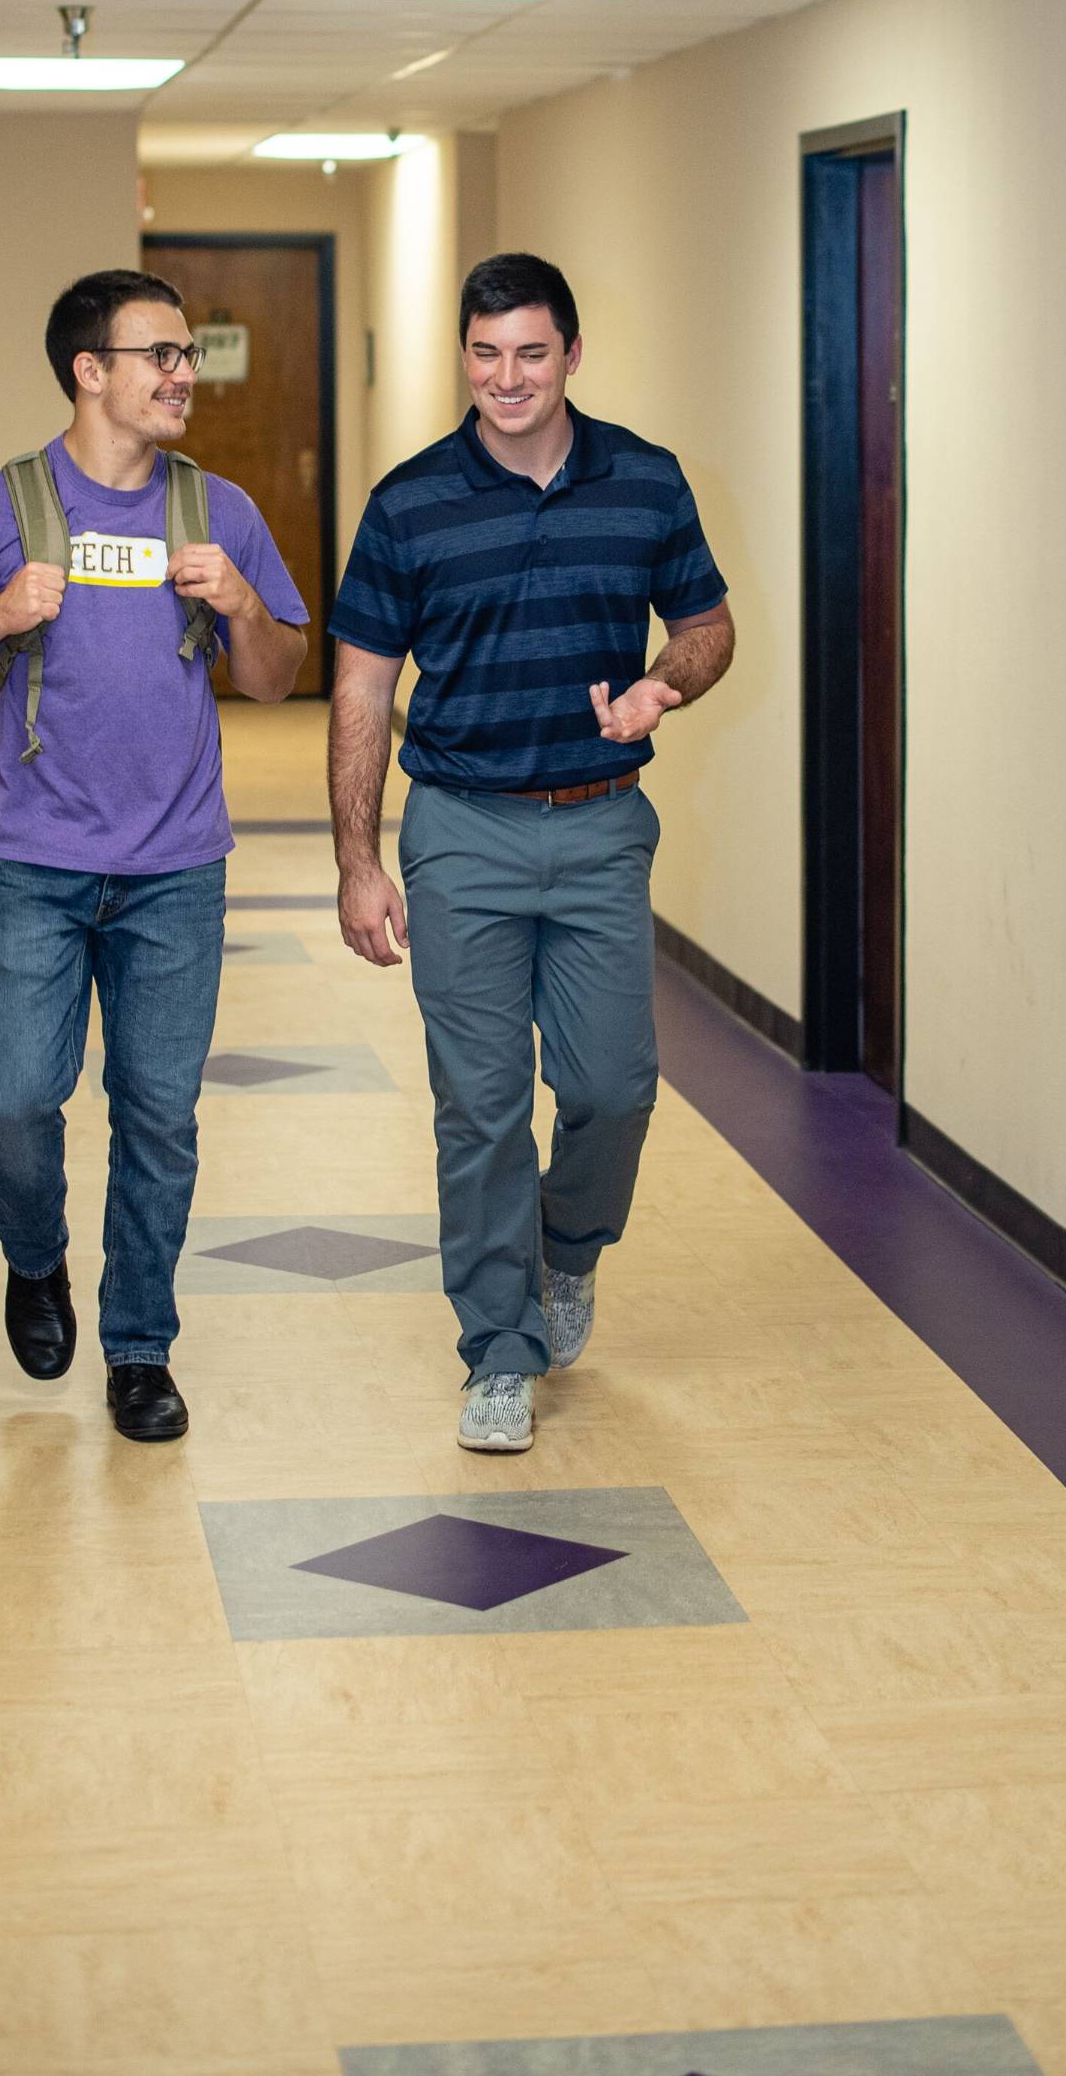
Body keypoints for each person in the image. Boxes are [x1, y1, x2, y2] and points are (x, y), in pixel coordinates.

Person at [0, 270, 307, 1442]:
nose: (180, 376)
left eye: (184, 358)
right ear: (89, 372)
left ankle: (141, 1347)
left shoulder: (219, 514)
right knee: (11, 1103)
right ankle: (35, 1258)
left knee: (157, 1116)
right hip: (32, 865)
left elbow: (277, 680)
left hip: (176, 870)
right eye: (157, 355)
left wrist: (244, 610)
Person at [327, 250, 734, 1453]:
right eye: (485, 353)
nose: (506, 378)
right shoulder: (409, 502)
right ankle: (495, 1350)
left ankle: (567, 1250)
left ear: (570, 354)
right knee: (481, 1106)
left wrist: (664, 686)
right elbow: (360, 683)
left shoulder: (645, 482)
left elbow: (706, 627)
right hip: (459, 827)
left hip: (603, 822)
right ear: (462, 357)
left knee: (611, 1090)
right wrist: (357, 858)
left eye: (531, 353)